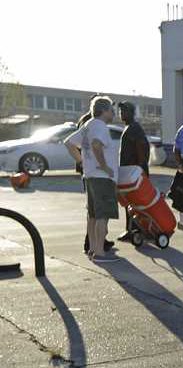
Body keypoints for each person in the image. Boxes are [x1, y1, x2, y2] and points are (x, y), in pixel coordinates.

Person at [64, 96, 120, 263]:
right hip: (102, 178)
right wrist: (104, 166)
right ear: (103, 111)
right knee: (102, 215)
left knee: (93, 215)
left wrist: (82, 161)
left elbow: (69, 143)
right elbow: (96, 145)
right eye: (111, 110)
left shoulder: (88, 125)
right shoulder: (100, 126)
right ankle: (100, 253)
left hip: (90, 176)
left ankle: (93, 249)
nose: (114, 113)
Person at [115, 101, 150, 241]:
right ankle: (131, 229)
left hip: (135, 174)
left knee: (136, 203)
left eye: (125, 111)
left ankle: (136, 231)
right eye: (120, 111)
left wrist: (139, 171)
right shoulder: (129, 127)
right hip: (129, 172)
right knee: (129, 203)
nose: (122, 114)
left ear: (132, 113)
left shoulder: (135, 128)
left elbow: (142, 148)